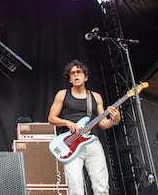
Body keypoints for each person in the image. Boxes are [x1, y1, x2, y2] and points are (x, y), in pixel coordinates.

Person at [47, 59, 121, 195]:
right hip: (70, 145)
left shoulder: (95, 97)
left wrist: (114, 121)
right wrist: (67, 123)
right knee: (76, 188)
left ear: (85, 77)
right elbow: (51, 118)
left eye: (78, 72)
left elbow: (103, 123)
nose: (75, 75)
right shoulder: (62, 94)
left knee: (101, 186)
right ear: (69, 79)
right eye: (72, 73)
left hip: (91, 142)